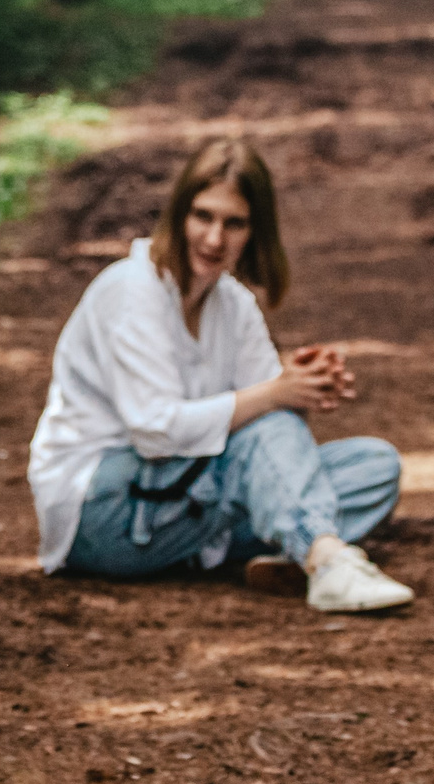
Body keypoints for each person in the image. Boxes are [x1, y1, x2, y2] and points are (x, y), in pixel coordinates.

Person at [26, 136, 414, 613]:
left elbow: (275, 434)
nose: (214, 239)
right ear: (178, 215)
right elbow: (154, 430)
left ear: (255, 232)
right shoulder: (130, 290)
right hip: (102, 508)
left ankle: (290, 549)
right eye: (203, 216)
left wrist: (304, 387)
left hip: (181, 503)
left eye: (234, 224)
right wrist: (276, 394)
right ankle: (325, 556)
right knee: (267, 422)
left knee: (374, 467)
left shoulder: (233, 304)